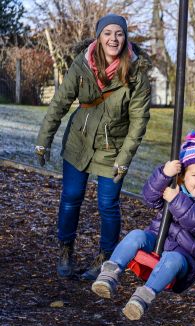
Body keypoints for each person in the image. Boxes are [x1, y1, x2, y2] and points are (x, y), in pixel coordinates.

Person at [35, 14, 152, 280]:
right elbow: (60, 103)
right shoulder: (83, 64)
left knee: (108, 204)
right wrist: (44, 139)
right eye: (108, 33)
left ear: (125, 37)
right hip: (79, 141)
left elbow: (138, 121)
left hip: (113, 148)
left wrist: (124, 159)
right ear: (99, 36)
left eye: (119, 33)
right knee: (71, 196)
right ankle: (66, 249)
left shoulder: (136, 73)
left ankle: (105, 257)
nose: (113, 38)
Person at [91, 132, 195, 320]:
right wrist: (164, 174)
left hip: (183, 259)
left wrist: (176, 199)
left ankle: (142, 299)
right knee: (137, 235)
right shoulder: (173, 187)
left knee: (172, 258)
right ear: (182, 175)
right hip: (156, 243)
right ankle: (109, 274)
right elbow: (149, 197)